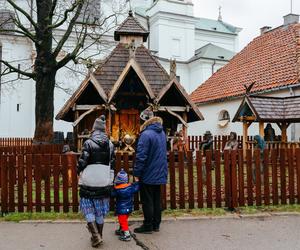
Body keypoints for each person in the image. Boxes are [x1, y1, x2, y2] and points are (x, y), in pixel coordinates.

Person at [77, 115, 115, 248]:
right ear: (104, 130)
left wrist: (78, 171)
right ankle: (99, 236)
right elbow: (112, 163)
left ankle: (95, 236)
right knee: (99, 211)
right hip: (103, 180)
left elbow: (83, 161)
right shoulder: (110, 144)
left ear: (94, 129)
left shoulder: (88, 142)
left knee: (88, 210)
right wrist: (110, 179)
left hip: (89, 180)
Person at [133, 109, 168, 234]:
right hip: (159, 171)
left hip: (148, 173)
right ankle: (156, 224)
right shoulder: (162, 133)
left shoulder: (146, 135)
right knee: (156, 199)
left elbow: (141, 156)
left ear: (144, 121)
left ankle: (148, 225)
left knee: (147, 200)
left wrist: (137, 173)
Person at [111, 169, 139, 242]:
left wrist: (111, 186)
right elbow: (136, 188)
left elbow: (111, 194)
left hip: (121, 209)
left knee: (123, 221)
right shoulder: (130, 187)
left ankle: (127, 235)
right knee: (124, 220)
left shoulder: (117, 190)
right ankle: (122, 230)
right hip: (129, 209)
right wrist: (137, 182)